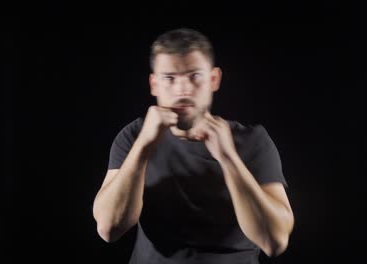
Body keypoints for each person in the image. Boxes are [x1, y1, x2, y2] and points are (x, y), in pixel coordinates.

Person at [92, 28, 294, 264]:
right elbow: (109, 229)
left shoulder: (252, 140)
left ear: (213, 80)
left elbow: (275, 241)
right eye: (169, 78)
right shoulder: (134, 136)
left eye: (194, 76)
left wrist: (229, 158)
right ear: (154, 84)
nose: (183, 90)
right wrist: (144, 147)